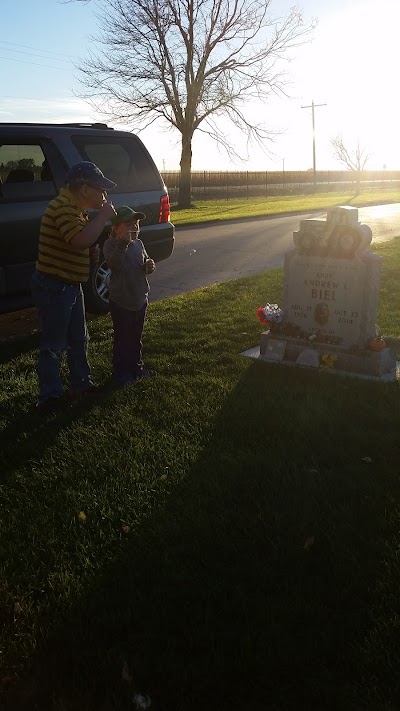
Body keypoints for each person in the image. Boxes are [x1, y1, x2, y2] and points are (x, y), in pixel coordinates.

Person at [31, 161, 117, 414]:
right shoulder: (62, 208)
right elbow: (79, 240)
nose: (104, 195)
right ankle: (50, 395)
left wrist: (88, 253)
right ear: (84, 189)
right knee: (54, 343)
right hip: (54, 285)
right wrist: (102, 218)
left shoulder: (76, 209)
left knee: (79, 337)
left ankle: (80, 383)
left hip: (68, 285)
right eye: (101, 189)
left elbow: (77, 242)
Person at [103, 206, 155, 384]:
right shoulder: (111, 245)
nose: (134, 227)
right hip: (121, 302)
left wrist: (148, 266)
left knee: (135, 338)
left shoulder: (139, 244)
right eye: (128, 224)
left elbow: (143, 264)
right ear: (116, 228)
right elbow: (114, 265)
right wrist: (122, 244)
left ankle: (136, 368)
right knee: (123, 339)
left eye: (136, 224)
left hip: (140, 299)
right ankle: (121, 373)